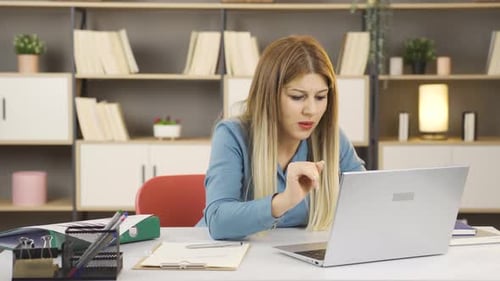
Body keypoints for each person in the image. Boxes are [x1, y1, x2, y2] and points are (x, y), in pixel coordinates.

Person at [197, 35, 365, 240]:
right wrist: (285, 200)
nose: (311, 110)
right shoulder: (232, 135)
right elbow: (218, 221)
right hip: (226, 259)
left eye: (320, 97)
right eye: (297, 97)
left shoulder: (331, 138)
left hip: (295, 261)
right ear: (269, 95)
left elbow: (366, 200)